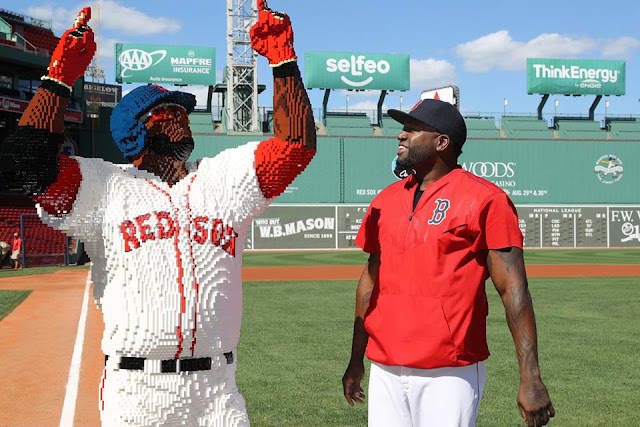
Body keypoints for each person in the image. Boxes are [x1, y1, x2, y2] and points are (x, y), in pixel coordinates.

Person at [0, 2, 315, 425]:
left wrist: (283, 60)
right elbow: (28, 163)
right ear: (138, 130)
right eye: (169, 112)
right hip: (138, 392)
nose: (183, 118)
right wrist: (57, 80)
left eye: (184, 111)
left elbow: (295, 146)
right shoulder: (103, 186)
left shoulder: (221, 179)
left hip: (218, 390)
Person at [342, 99, 554, 427]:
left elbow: (514, 290)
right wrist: (357, 360)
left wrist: (531, 378)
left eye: (412, 130)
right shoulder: (385, 200)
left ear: (442, 142)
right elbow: (370, 281)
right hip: (384, 367)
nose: (401, 136)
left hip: (449, 373)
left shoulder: (487, 200)